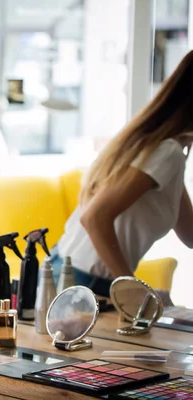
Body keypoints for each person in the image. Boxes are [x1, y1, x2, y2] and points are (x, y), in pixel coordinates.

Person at [51, 50, 193, 298]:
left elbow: (190, 234)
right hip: (86, 283)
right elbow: (94, 218)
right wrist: (131, 290)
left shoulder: (167, 150)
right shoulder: (166, 151)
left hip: (73, 272)